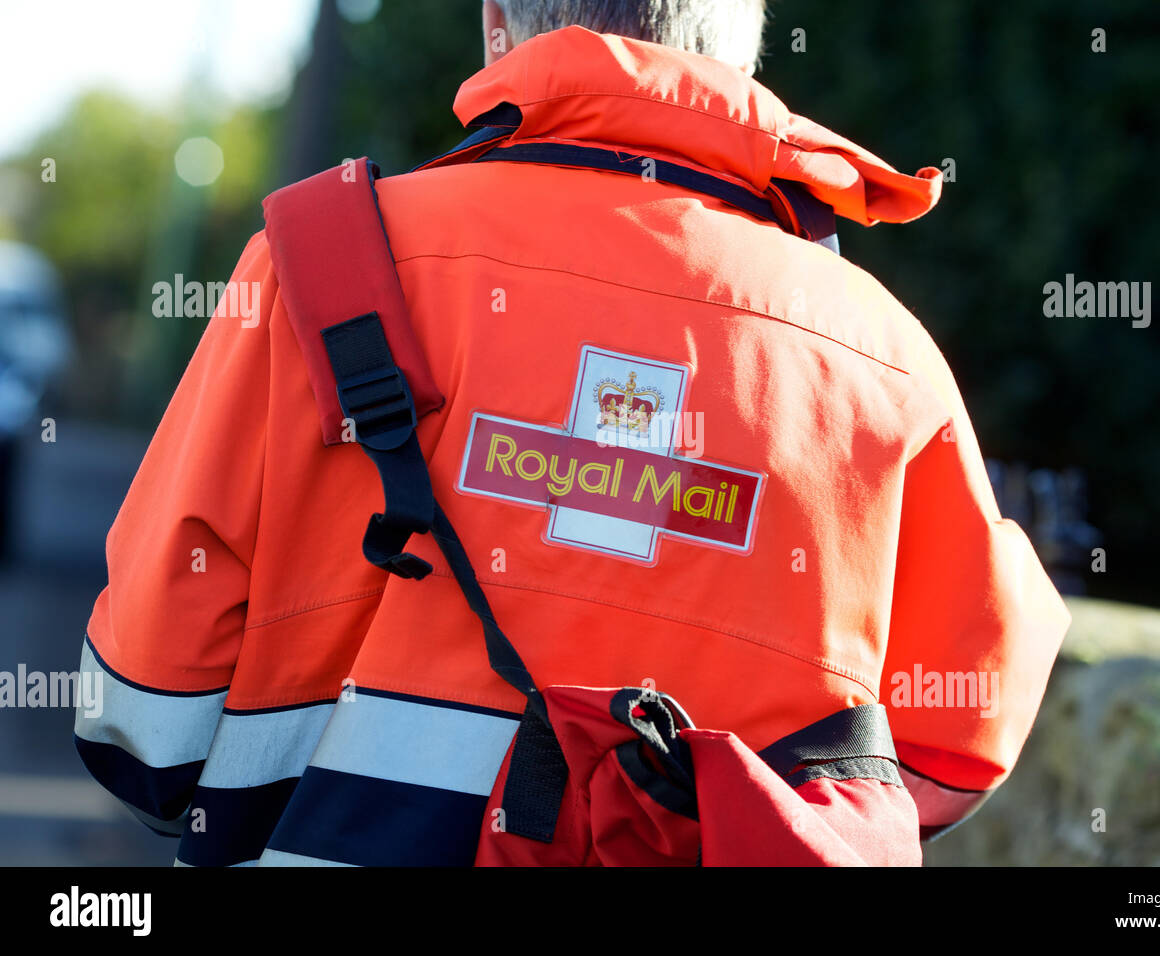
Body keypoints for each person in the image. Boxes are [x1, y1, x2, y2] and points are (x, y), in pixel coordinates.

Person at [74, 0, 1070, 866]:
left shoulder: (319, 265)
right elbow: (957, 727)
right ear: (742, 51)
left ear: (496, 28)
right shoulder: (886, 355)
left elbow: (150, 706)